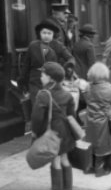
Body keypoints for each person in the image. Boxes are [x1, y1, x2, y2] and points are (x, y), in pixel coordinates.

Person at [31, 62, 76, 190]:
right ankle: (68, 188)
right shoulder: (67, 94)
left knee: (55, 161)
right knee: (65, 158)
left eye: (43, 75)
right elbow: (72, 115)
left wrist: (35, 133)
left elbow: (37, 118)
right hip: (66, 133)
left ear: (51, 78)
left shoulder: (43, 95)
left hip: (53, 133)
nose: (40, 77)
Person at [18, 19, 75, 107]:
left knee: (51, 107)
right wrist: (22, 82)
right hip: (35, 82)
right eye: (44, 33)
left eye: (49, 33)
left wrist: (66, 68)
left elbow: (70, 58)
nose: (46, 36)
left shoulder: (57, 45)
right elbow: (26, 65)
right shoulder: (33, 46)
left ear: (53, 34)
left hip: (52, 82)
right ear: (39, 33)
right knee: (38, 106)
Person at [84, 62, 111, 177]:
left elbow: (87, 99)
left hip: (90, 120)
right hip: (103, 121)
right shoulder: (107, 88)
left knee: (92, 143)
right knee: (102, 146)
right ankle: (99, 169)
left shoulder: (88, 87)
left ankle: (90, 167)